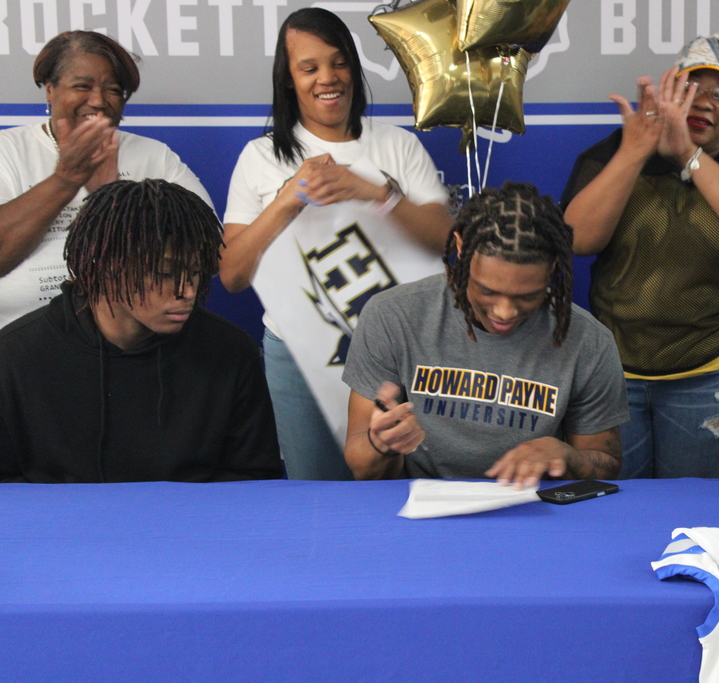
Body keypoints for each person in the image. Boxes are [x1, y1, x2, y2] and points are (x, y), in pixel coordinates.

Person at [221, 7, 452, 481]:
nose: (328, 78)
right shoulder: (261, 156)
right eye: (309, 68)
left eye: (339, 62)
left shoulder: (397, 145)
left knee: (392, 484)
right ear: (288, 80)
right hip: (301, 354)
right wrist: (287, 200)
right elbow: (232, 275)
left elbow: (444, 240)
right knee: (316, 496)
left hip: (395, 352)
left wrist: (375, 192)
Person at [561, 33, 719, 479]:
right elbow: (578, 238)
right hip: (615, 374)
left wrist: (689, 155)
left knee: (695, 517)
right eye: (692, 89)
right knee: (613, 515)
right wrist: (636, 151)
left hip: (718, 371)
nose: (705, 103)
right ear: (669, 94)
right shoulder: (615, 153)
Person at [342, 182, 628, 486]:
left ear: (553, 266)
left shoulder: (589, 341)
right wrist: (381, 444)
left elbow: (605, 465)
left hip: (534, 508)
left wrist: (567, 456)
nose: (505, 312)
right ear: (461, 248)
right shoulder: (393, 316)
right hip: (422, 507)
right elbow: (363, 467)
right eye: (488, 291)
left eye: (527, 296)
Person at [0, 180, 283, 483]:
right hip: (57, 528)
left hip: (192, 526)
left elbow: (253, 480)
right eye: (165, 272)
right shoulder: (17, 356)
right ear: (106, 263)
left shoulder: (230, 351)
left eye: (197, 272)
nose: (186, 291)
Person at [0, 30, 211, 330]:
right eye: (82, 86)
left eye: (113, 90)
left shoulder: (154, 156)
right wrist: (66, 180)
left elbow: (210, 256)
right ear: (50, 89)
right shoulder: (7, 151)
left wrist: (112, 201)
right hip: (22, 346)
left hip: (136, 343)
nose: (98, 101)